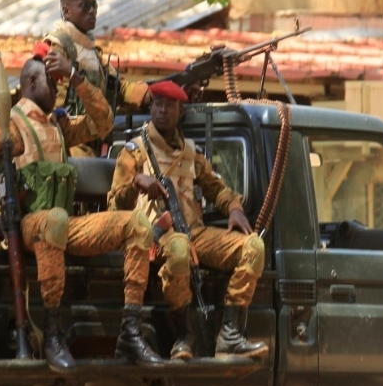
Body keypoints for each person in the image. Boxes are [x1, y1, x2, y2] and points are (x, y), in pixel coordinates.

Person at [0, 44, 166, 370]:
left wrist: (76, 76)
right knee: (55, 219)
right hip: (30, 226)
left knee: (137, 223)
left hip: (64, 226)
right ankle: (52, 332)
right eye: (52, 83)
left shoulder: (58, 126)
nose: (57, 88)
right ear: (31, 83)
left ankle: (130, 331)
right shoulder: (8, 126)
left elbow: (104, 122)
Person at [107, 81, 269, 361]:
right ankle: (184, 333)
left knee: (253, 247)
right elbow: (114, 204)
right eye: (158, 104)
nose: (162, 110)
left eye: (170, 106)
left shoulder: (191, 152)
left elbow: (217, 188)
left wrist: (234, 208)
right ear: (151, 108)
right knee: (179, 249)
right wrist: (136, 183)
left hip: (195, 231)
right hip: (157, 237)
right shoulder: (135, 150)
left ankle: (231, 334)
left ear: (181, 111)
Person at [44, 0, 150, 157]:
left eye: (94, 5)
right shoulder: (59, 47)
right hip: (72, 146)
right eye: (84, 6)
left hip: (96, 141)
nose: (92, 11)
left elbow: (118, 88)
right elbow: (52, 106)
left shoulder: (92, 52)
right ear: (66, 11)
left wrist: (153, 94)